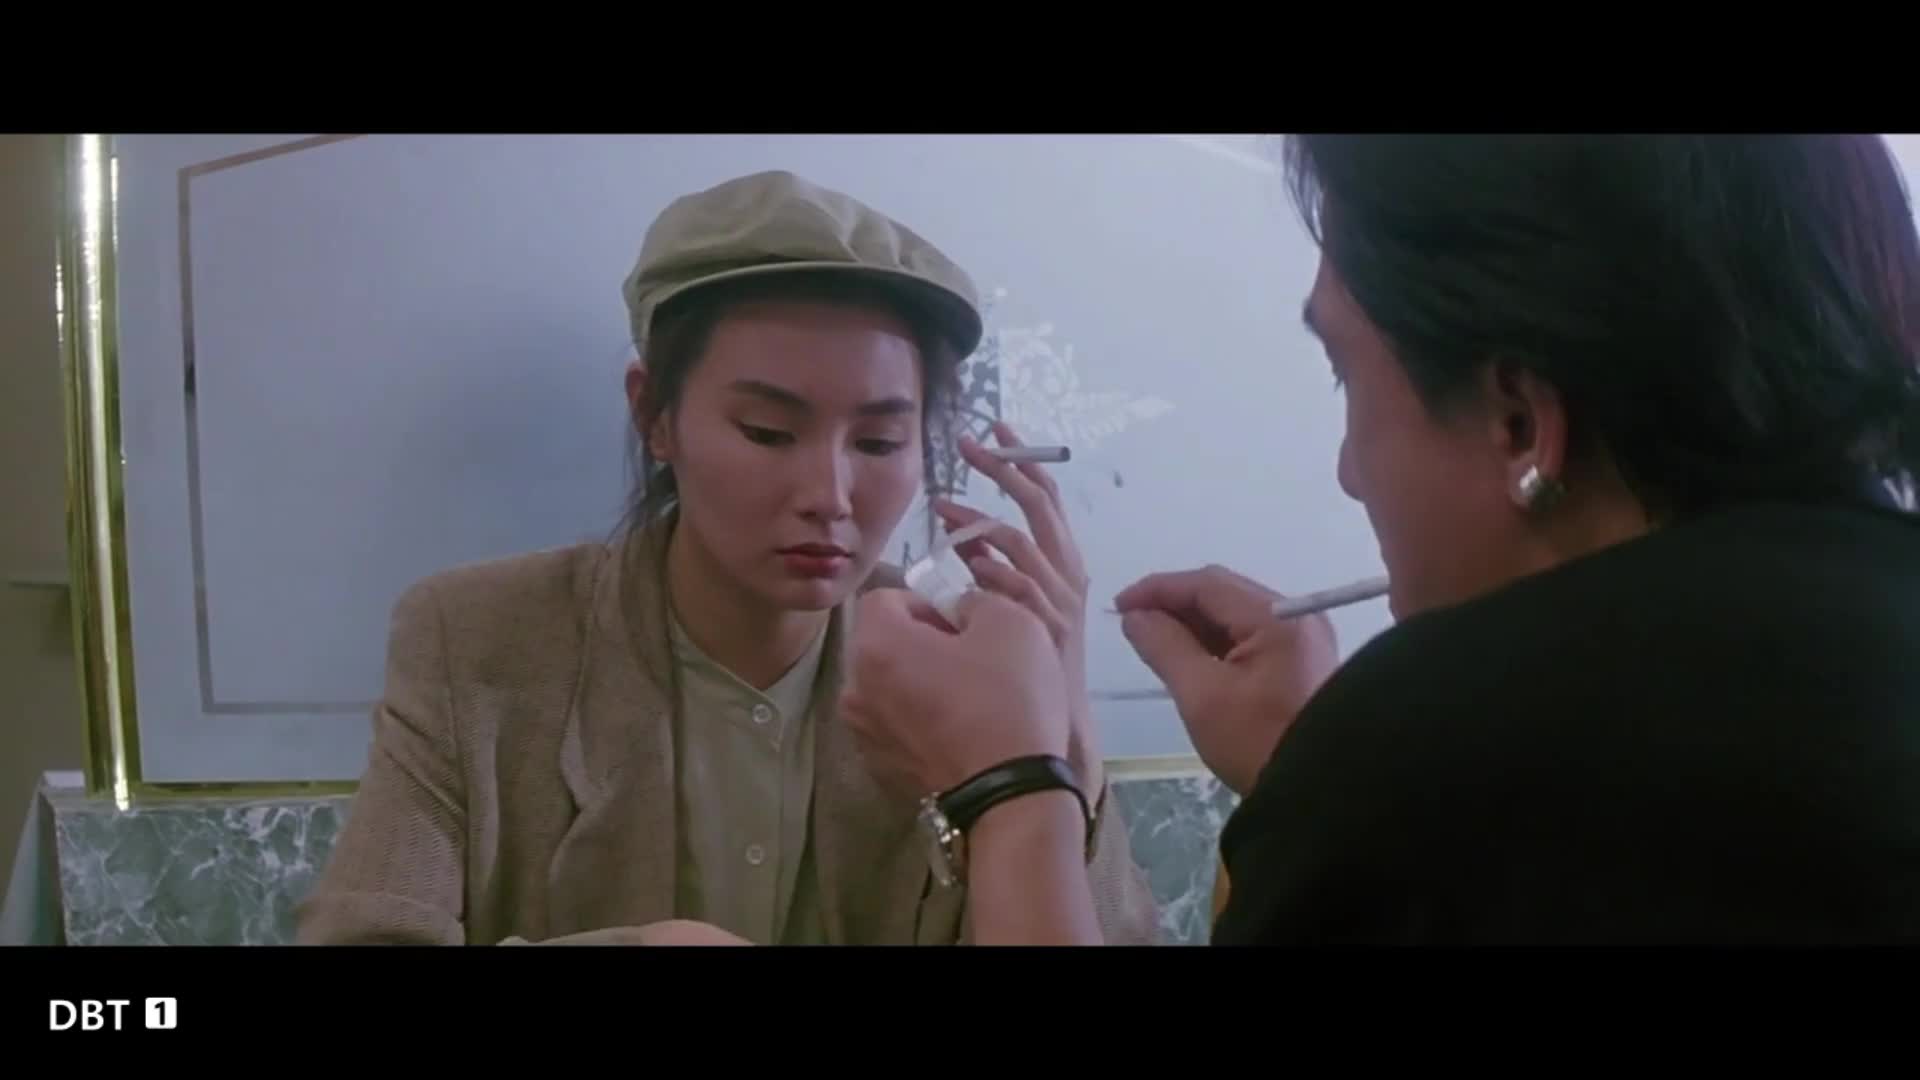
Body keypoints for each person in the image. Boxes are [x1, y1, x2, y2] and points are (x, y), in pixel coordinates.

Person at [838, 134, 1920, 944]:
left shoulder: (1446, 745)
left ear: (1519, 424)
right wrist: (1311, 779)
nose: (1349, 471)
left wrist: (1009, 790)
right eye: (768, 429)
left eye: (1344, 374)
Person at [295, 169, 1162, 946]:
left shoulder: (957, 676)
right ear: (654, 415)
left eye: (878, 441)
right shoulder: (476, 640)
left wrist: (1063, 740)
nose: (830, 494)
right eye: (768, 431)